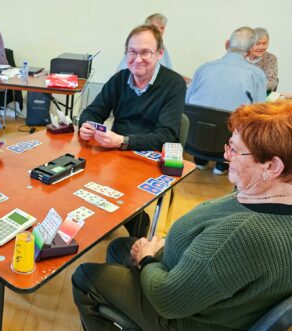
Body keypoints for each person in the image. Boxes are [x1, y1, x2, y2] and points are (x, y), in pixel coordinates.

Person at [72, 101, 292, 331]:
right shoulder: (266, 194)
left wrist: (148, 259)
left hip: (186, 318)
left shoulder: (244, 235)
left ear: (272, 167)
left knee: (86, 277)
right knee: (119, 247)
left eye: (235, 150)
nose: (226, 156)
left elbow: (169, 300)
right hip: (199, 289)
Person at [78, 24, 185, 237]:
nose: (138, 59)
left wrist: (123, 141)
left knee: (122, 196)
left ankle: (137, 227)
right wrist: (87, 125)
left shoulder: (174, 84)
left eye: (145, 52)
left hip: (150, 156)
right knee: (80, 177)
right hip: (116, 152)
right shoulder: (119, 79)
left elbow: (167, 135)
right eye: (132, 52)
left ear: (159, 54)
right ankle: (107, 218)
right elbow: (92, 111)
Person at [186, 26, 267, 175]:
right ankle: (221, 165)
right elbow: (260, 115)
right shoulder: (257, 75)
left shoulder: (203, 68)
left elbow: (186, 103)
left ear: (226, 44)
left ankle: (201, 160)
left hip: (194, 143)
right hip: (228, 147)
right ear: (250, 51)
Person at [247, 27, 278, 93]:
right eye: (257, 44)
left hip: (260, 96)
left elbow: (271, 84)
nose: (261, 47)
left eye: (264, 43)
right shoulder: (240, 56)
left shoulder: (271, 58)